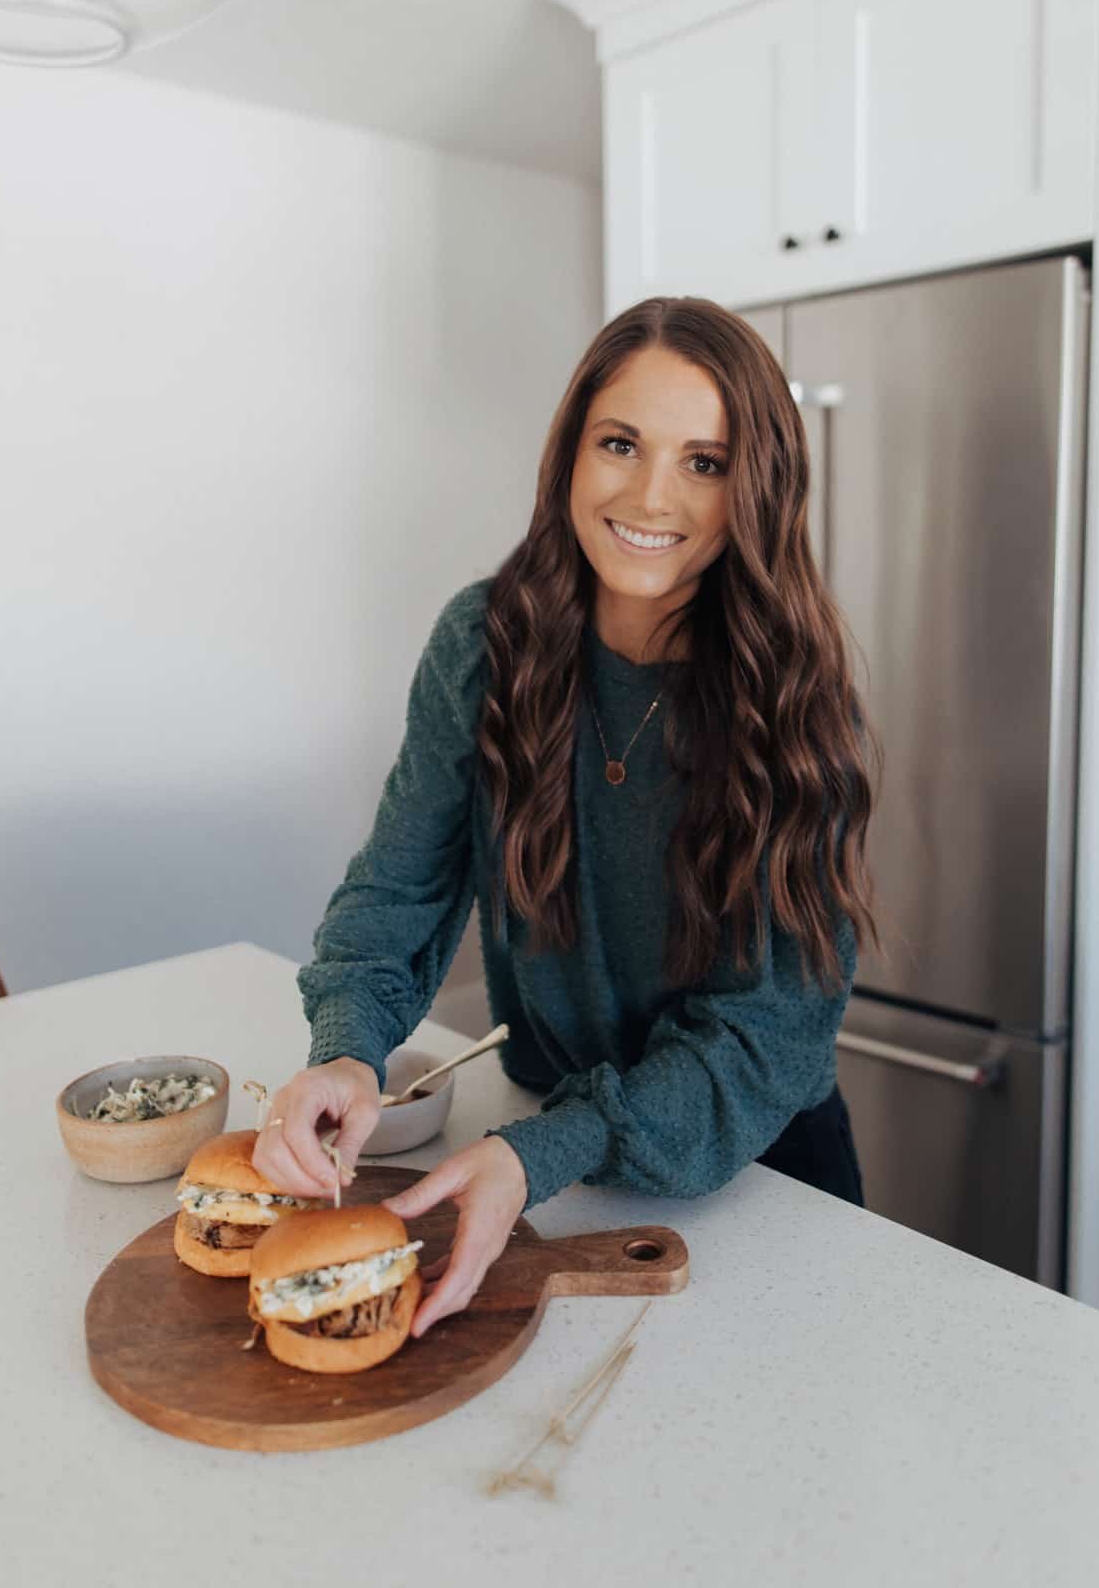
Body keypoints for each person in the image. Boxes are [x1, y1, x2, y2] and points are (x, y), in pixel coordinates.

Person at [253, 295, 884, 1340]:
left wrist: (536, 1153)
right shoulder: (486, 643)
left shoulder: (797, 702)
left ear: (754, 491)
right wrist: (346, 1052)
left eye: (705, 461)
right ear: (571, 453)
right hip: (550, 1161)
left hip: (757, 1174)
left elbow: (762, 1039)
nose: (650, 494)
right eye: (622, 443)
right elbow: (398, 888)